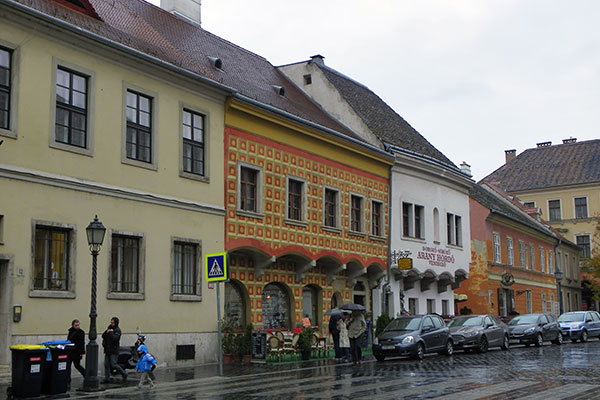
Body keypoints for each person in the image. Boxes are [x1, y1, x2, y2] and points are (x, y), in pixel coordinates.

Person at [101, 316, 127, 383]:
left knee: (113, 364)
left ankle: (124, 373)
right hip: (107, 350)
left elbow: (115, 338)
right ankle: (107, 379)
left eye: (113, 322)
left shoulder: (117, 330)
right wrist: (107, 331)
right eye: (111, 322)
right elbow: (103, 335)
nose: (111, 323)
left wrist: (111, 332)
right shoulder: (109, 328)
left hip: (114, 350)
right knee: (106, 364)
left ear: (116, 323)